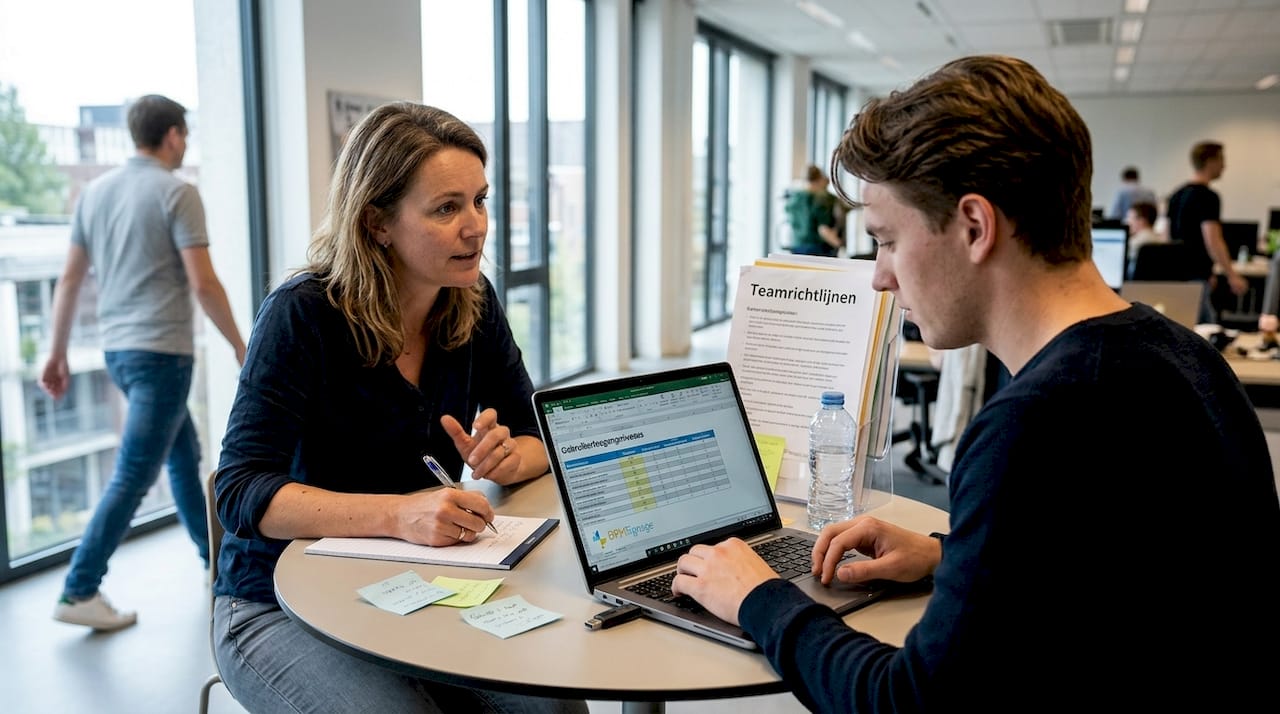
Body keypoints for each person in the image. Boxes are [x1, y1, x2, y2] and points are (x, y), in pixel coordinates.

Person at [670, 55, 1279, 711]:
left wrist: (759, 597)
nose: (879, 276)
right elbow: (1116, 569)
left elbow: (907, 703)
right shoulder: (1182, 354)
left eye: (885, 240)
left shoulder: (1036, 421)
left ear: (974, 226)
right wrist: (953, 554)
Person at [212, 102, 585, 714]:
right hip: (272, 599)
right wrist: (401, 515)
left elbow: (534, 433)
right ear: (376, 223)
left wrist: (510, 457)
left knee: (554, 705)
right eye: (446, 208)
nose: (476, 227)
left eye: (479, 200)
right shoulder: (303, 315)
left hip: (411, 582)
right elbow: (241, 491)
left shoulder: (470, 299)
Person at [43, 94, 246, 631]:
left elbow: (68, 279)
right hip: (162, 352)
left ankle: (214, 562)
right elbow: (203, 282)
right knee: (135, 473)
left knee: (183, 455)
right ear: (174, 135)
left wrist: (56, 351)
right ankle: (79, 588)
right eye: (186, 135)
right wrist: (240, 343)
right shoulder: (178, 193)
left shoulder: (95, 193)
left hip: (119, 353)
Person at [1166, 141, 1248, 322]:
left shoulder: (1176, 195)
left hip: (1175, 276)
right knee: (1206, 329)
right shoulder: (1208, 197)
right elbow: (1213, 240)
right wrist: (1232, 276)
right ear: (1210, 161)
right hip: (1195, 277)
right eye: (1221, 160)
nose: (1224, 166)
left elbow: (1168, 238)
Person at [784, 164, 842, 256]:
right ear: (820, 179)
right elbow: (823, 230)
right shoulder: (821, 199)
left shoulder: (793, 200)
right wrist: (840, 245)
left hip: (796, 248)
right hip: (817, 251)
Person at [1124, 199, 1164, 271]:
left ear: (1142, 221)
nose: (1127, 222)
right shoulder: (1159, 239)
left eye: (1130, 218)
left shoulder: (1135, 243)